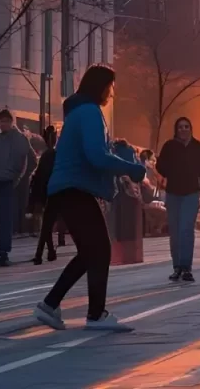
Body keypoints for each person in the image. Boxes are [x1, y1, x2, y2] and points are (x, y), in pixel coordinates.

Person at [33, 65, 146, 332]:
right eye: (110, 86)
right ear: (101, 86)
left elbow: (93, 152)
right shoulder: (89, 113)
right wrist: (130, 167)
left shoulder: (78, 112)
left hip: (67, 189)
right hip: (75, 189)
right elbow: (96, 155)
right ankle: (96, 315)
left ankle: (50, 305)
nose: (112, 93)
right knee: (100, 249)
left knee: (89, 252)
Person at [156, 117, 200, 282]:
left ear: (191, 128)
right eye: (180, 127)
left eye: (186, 126)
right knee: (175, 231)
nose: (183, 130)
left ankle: (186, 267)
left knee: (186, 229)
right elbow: (160, 166)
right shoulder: (169, 147)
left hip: (191, 193)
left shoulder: (198, 148)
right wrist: (170, 170)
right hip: (173, 193)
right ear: (176, 130)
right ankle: (177, 266)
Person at [0, 109, 34, 266]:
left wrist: (18, 178)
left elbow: (30, 160)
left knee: (5, 218)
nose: (3, 124)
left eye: (6, 121)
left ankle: (3, 253)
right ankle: (1, 250)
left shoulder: (19, 140)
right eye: (1, 121)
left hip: (7, 183)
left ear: (11, 122)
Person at [31, 126, 59, 264]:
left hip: (47, 192)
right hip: (55, 191)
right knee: (47, 225)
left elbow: (40, 177)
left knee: (46, 225)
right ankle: (48, 252)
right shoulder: (55, 155)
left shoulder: (47, 156)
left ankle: (41, 254)